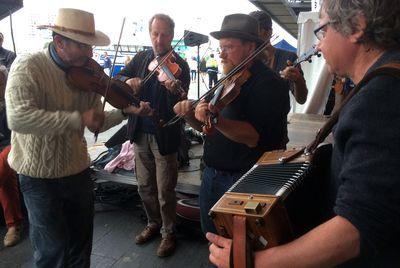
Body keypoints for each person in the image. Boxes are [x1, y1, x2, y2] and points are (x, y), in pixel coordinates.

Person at [207, 1, 400, 266]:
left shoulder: (380, 98)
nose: (318, 45)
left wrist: (253, 262)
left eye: (322, 31)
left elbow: (359, 227)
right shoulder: (381, 85)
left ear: (356, 27)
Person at [5, 8, 137, 267]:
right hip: (38, 177)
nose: (90, 54)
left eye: (91, 47)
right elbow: (19, 119)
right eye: (83, 46)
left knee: (80, 247)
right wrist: (78, 118)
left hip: (77, 171)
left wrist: (124, 112)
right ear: (59, 42)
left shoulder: (88, 73)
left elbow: (95, 121)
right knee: (51, 253)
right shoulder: (28, 65)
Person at [174, 13, 289, 235]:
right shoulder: (227, 79)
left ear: (250, 47)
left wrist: (216, 119)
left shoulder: (269, 84)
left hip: (243, 180)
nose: (221, 53)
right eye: (220, 47)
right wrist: (189, 115)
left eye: (229, 47)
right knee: (213, 237)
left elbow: (252, 137)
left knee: (243, 245)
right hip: (211, 175)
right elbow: (209, 129)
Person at [115, 13, 190, 258]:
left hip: (164, 135)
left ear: (172, 35)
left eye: (165, 34)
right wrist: (130, 80)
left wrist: (173, 91)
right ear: (150, 34)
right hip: (139, 133)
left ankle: (169, 233)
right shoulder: (141, 58)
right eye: (155, 33)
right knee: (145, 186)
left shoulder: (181, 65)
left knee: (165, 190)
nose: (159, 39)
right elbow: (118, 80)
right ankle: (153, 223)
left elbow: (182, 104)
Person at [249, 10, 308, 105]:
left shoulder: (288, 57)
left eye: (256, 32)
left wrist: (298, 80)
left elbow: (301, 100)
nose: (252, 38)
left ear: (269, 32)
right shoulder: (246, 60)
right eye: (249, 33)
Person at [0, 65, 23, 247]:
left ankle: (13, 225)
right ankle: (13, 225)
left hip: (13, 144)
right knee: (6, 181)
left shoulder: (14, 103)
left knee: (2, 165)